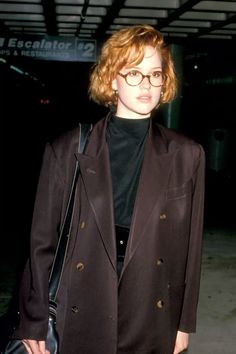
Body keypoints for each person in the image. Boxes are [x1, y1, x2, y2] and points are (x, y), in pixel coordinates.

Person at [12, 24, 205, 354]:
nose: (146, 84)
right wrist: (33, 320)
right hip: (83, 296)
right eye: (133, 73)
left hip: (150, 299)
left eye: (155, 74)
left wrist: (184, 324)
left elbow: (191, 248)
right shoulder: (68, 148)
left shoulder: (187, 154)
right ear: (112, 79)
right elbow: (41, 243)